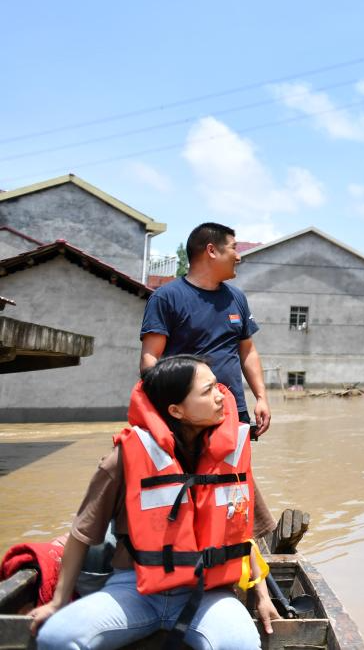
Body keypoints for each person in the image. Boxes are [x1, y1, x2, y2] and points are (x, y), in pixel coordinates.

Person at [30, 355, 280, 650]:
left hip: (207, 595)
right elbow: (82, 533)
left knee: (241, 645)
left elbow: (242, 534)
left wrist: (263, 596)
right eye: (208, 390)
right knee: (56, 636)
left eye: (218, 387)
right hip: (135, 590)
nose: (221, 397)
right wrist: (58, 601)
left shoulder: (231, 458)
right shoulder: (128, 456)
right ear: (176, 410)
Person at [141, 223, 270, 440]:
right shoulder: (166, 298)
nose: (238, 257)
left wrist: (261, 397)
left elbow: (247, 352)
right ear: (211, 251)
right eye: (233, 248)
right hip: (188, 417)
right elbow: (150, 359)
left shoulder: (237, 298)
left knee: (233, 475)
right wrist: (164, 409)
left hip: (232, 411)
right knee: (186, 475)